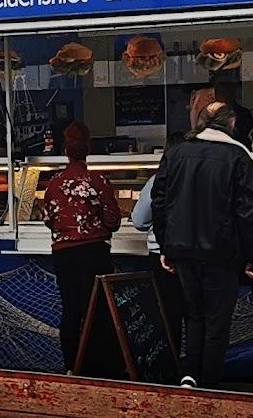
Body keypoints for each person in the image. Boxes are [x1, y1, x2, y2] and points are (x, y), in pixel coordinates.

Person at [152, 102, 253, 389]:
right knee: (217, 322)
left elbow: (159, 202)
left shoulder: (176, 152)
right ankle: (209, 383)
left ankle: (189, 375)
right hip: (222, 253)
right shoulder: (238, 156)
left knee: (194, 314)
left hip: (182, 250)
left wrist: (165, 247)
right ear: (231, 123)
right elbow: (247, 213)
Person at [43, 121, 122, 375]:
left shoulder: (54, 184)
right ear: (88, 147)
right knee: (95, 309)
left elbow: (47, 219)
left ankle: (71, 365)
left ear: (65, 149)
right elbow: (113, 221)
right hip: (93, 252)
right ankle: (95, 366)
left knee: (70, 308)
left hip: (63, 253)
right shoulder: (97, 181)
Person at [131, 132, 186, 355]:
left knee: (166, 316)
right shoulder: (199, 180)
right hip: (195, 255)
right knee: (195, 315)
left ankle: (168, 367)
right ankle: (194, 371)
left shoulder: (157, 180)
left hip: (161, 257)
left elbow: (139, 220)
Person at [214, 82, 253, 150]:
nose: (221, 95)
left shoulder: (243, 114)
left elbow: (244, 137)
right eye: (218, 92)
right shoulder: (212, 113)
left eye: (225, 92)